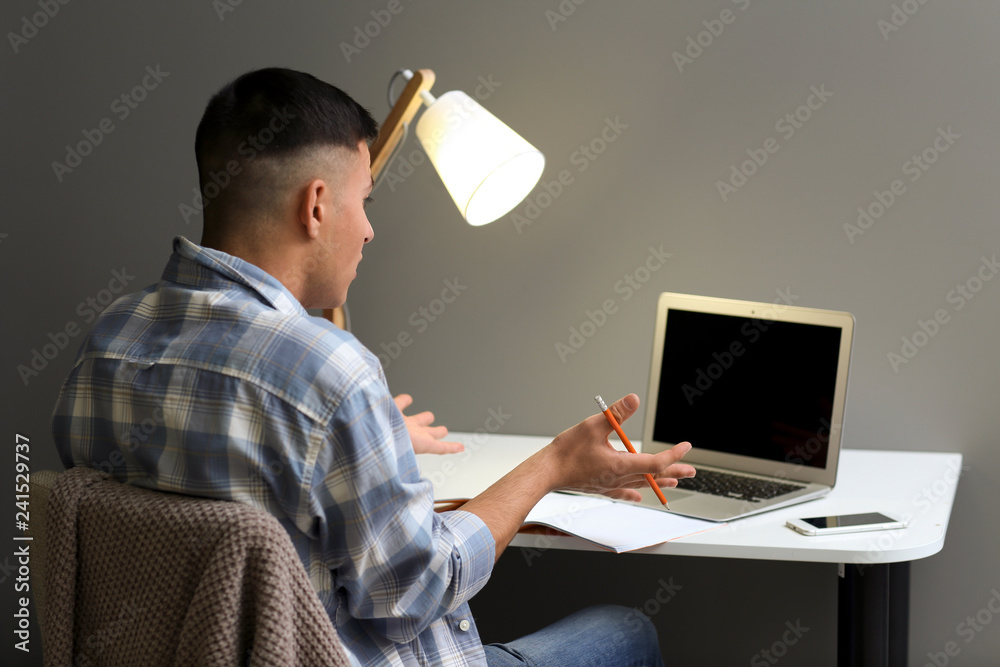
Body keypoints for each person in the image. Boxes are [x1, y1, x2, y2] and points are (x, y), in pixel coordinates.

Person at [52, 67, 695, 666]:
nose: (368, 229)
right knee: (626, 630)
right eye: (364, 200)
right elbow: (415, 591)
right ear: (315, 206)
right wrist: (554, 464)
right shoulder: (329, 372)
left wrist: (362, 439)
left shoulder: (108, 341)